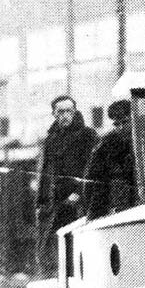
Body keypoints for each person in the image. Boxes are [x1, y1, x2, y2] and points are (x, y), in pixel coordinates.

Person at [35, 95, 97, 276]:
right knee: (52, 246)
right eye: (60, 112)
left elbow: (93, 167)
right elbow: (45, 173)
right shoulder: (51, 140)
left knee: (78, 243)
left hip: (78, 201)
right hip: (56, 203)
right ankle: (59, 282)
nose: (65, 115)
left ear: (75, 112)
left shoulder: (87, 135)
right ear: (54, 114)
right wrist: (41, 201)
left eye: (69, 111)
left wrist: (79, 192)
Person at [83, 100, 136, 220]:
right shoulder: (105, 147)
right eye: (117, 124)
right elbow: (94, 183)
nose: (121, 128)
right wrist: (95, 214)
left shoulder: (143, 139)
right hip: (118, 210)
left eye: (125, 122)